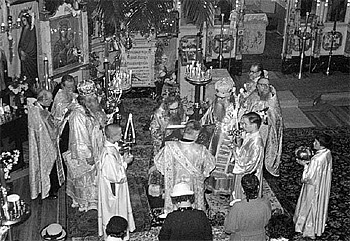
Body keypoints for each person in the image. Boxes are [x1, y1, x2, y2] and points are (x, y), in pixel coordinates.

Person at [154, 120, 215, 214]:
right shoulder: (201, 150)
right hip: (193, 187)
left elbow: (159, 163)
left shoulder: (169, 147)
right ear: (197, 134)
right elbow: (210, 166)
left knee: (175, 209)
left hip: (174, 186)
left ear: (184, 132)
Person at [64, 80, 106, 211]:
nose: (95, 100)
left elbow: (99, 119)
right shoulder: (78, 114)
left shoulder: (91, 107)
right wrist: (88, 155)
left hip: (97, 144)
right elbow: (79, 138)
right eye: (92, 98)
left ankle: (97, 198)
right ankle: (86, 202)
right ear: (84, 99)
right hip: (86, 150)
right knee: (87, 176)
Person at [201, 77, 238, 195]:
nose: (220, 100)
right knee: (212, 158)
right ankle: (211, 184)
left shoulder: (234, 108)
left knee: (225, 164)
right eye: (218, 97)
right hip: (216, 136)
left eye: (222, 98)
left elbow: (236, 125)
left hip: (228, 139)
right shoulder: (216, 103)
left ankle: (224, 188)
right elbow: (208, 116)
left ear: (228, 96)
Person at [98, 124, 135, 240]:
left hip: (113, 185)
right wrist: (126, 163)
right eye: (119, 134)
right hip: (113, 190)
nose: (122, 135)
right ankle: (116, 233)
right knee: (115, 210)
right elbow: (115, 177)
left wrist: (121, 157)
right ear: (112, 136)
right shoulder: (108, 155)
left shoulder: (110, 147)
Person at [293, 132, 333, 239]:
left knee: (309, 204)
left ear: (322, 144)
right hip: (322, 184)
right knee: (319, 202)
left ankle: (305, 227)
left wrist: (305, 165)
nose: (313, 143)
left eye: (316, 142)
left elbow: (308, 178)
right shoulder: (327, 153)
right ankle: (318, 225)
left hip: (312, 187)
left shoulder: (316, 159)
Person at [242, 77, 283, 177]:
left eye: (266, 85)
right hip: (254, 127)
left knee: (263, 146)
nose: (264, 88)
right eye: (261, 85)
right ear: (257, 85)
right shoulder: (253, 96)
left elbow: (276, 115)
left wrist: (267, 115)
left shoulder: (272, 98)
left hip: (266, 127)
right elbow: (247, 108)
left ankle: (264, 164)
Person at [28, 90, 64, 199]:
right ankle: (49, 191)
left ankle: (45, 188)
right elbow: (50, 128)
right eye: (50, 99)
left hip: (44, 141)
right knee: (48, 166)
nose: (52, 100)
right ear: (43, 100)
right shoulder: (39, 112)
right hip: (46, 143)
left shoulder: (36, 108)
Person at [224, 173, 271, 241]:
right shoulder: (266, 203)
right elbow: (268, 223)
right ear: (258, 187)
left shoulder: (237, 207)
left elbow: (228, 229)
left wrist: (231, 209)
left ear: (242, 190)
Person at [230, 112, 264, 200]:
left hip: (248, 175)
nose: (242, 126)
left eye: (245, 124)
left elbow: (249, 164)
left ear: (254, 125)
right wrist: (238, 145)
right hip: (243, 169)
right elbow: (244, 152)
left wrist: (234, 151)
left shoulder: (257, 143)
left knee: (244, 196)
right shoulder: (249, 135)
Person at [18, 11, 38, 84]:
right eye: (22, 20)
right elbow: (22, 42)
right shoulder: (24, 29)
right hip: (23, 53)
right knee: (24, 71)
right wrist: (20, 49)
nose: (23, 22)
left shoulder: (31, 29)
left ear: (27, 20)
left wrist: (25, 51)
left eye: (24, 20)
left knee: (31, 72)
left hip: (29, 54)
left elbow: (32, 43)